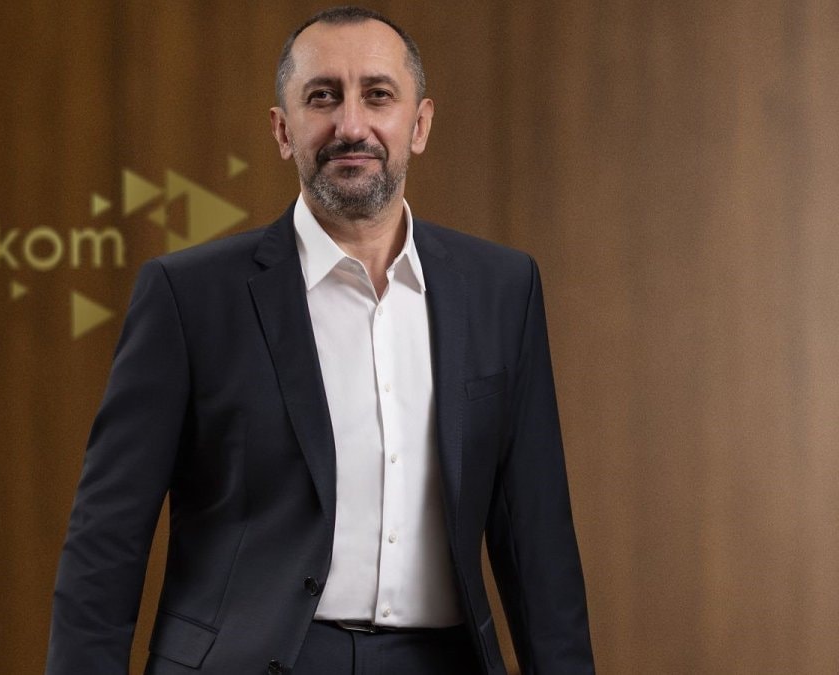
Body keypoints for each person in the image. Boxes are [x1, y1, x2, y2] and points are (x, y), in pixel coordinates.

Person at [47, 6, 594, 674]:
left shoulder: (502, 289)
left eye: (378, 95)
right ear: (283, 129)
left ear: (420, 124)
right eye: (322, 97)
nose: (351, 125)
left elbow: (539, 542)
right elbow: (106, 540)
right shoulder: (188, 296)